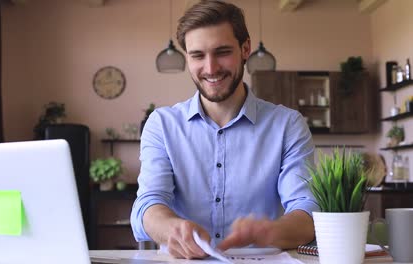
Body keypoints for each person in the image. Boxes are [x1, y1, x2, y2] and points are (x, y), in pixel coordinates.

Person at [130, 0, 318, 259]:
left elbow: (307, 210)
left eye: (222, 52)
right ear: (187, 57)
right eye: (197, 55)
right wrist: (171, 228)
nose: (210, 68)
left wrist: (268, 231)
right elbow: (148, 206)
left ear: (245, 48)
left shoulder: (287, 125)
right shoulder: (162, 125)